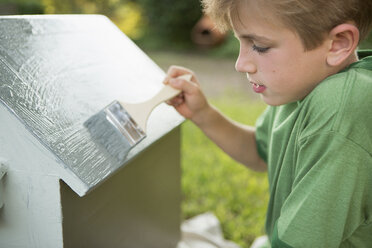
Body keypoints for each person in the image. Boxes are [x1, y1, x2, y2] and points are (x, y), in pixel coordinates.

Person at [164, 0, 372, 247]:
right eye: (240, 41)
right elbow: (260, 152)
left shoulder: (342, 104)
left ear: (338, 43)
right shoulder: (300, 87)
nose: (241, 64)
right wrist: (203, 114)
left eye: (260, 46)